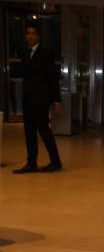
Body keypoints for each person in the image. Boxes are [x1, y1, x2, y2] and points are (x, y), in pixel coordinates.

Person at [13, 22, 63, 173]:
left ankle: (55, 162)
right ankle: (31, 163)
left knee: (43, 130)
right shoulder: (24, 53)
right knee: (28, 132)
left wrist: (56, 100)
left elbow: (52, 78)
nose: (30, 36)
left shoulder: (46, 53)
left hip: (41, 99)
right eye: (28, 33)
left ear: (39, 36)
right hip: (28, 99)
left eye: (33, 33)